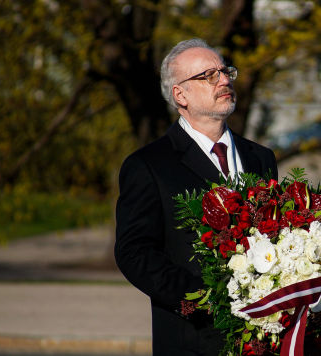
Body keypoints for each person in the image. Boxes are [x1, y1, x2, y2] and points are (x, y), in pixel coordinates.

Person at [115, 38, 278, 356]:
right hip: (194, 339)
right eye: (209, 75)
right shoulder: (149, 165)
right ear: (180, 94)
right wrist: (205, 299)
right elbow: (134, 253)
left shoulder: (260, 157)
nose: (225, 80)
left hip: (262, 338)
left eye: (225, 71)